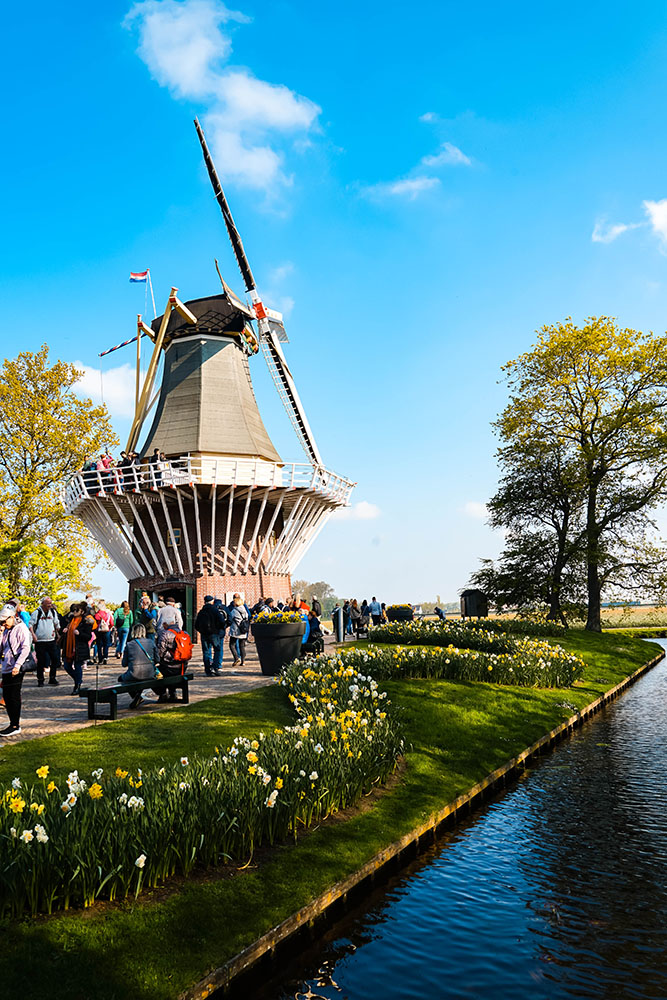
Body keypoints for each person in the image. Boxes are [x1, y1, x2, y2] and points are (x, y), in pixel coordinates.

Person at [0, 602, 31, 736]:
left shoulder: (21, 628)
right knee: (6, 695)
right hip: (6, 666)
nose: (3, 624)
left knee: (13, 696)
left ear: (11, 617)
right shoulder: (6, 630)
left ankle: (15, 725)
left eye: (4, 621)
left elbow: (25, 648)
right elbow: (1, 647)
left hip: (16, 667)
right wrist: (1, 633)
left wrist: (17, 665)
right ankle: (12, 723)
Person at [118, 623, 161, 708]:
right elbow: (157, 660)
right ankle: (160, 693)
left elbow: (124, 664)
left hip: (134, 674)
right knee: (148, 677)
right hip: (150, 673)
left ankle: (136, 696)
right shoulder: (151, 642)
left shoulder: (129, 644)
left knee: (122, 679)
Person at [62, 601, 96, 695]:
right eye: (74, 610)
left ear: (82, 611)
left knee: (77, 666)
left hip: (79, 648)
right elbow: (62, 623)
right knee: (67, 666)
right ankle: (78, 680)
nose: (75, 612)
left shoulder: (86, 622)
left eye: (77, 610)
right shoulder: (70, 620)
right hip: (69, 647)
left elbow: (88, 636)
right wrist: (64, 631)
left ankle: (77, 685)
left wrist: (79, 634)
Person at [29, 596, 61, 686]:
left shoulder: (53, 612)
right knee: (41, 661)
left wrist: (59, 633)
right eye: (47, 604)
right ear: (43, 603)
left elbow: (56, 624)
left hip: (51, 640)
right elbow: (30, 624)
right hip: (40, 641)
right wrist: (33, 635)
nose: (49, 605)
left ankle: (52, 678)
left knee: (55, 660)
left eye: (50, 603)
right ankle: (40, 679)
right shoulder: (37, 612)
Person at [195, 596, 220, 676]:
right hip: (214, 633)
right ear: (212, 601)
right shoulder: (215, 610)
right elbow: (221, 621)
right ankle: (215, 668)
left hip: (204, 634)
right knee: (217, 650)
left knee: (206, 652)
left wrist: (201, 631)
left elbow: (196, 625)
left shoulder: (201, 612)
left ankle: (207, 670)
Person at [228, 596, 249, 666]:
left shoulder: (234, 611)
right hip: (243, 629)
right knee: (242, 646)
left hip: (236, 630)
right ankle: (243, 661)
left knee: (232, 644)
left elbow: (230, 619)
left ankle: (236, 657)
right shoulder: (244, 610)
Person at [94, 599, 113, 664]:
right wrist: (109, 627)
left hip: (99, 631)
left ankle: (100, 658)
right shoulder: (107, 614)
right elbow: (112, 623)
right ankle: (105, 657)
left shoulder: (97, 614)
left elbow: (95, 623)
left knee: (99, 645)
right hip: (106, 630)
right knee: (106, 644)